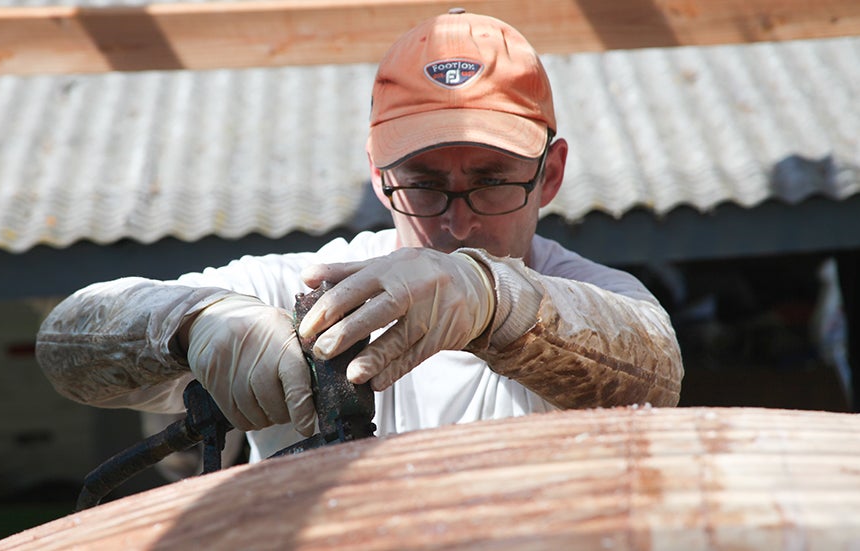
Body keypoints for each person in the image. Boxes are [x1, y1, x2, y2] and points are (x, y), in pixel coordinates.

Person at [36, 9, 684, 463]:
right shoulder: (299, 293)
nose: (458, 223)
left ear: (552, 174)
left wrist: (492, 300)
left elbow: (655, 370)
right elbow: (67, 339)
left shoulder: (593, 297)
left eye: (491, 179)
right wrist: (194, 321)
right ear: (378, 176)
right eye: (424, 183)